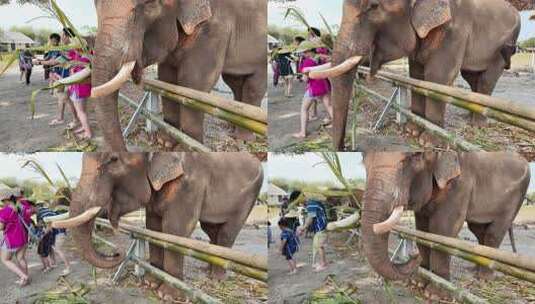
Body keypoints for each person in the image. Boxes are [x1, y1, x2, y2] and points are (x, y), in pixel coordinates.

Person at [292, 43, 333, 139]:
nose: (303, 54)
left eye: (304, 52)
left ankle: (303, 132)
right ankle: (337, 126)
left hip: (314, 87)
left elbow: (305, 79)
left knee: (304, 109)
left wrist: (302, 78)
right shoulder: (321, 58)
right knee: (329, 106)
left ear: (309, 51)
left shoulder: (306, 62)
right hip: (325, 85)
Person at [0, 190, 30, 286]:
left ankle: (23, 276)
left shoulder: (5, 211)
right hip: (23, 237)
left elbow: (1, 227)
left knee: (5, 259)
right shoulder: (21, 208)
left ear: (5, 200)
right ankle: (26, 279)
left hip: (12, 238)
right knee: (21, 258)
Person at [37, 204, 71, 276]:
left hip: (59, 233)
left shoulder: (42, 214)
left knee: (58, 250)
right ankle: (55, 263)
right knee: (54, 248)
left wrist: (41, 235)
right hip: (60, 232)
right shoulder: (49, 211)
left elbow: (48, 228)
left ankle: (68, 268)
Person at [298, 198, 328, 272]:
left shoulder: (311, 204)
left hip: (320, 227)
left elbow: (310, 217)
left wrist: (303, 228)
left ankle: (323, 264)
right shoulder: (314, 201)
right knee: (318, 245)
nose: (299, 204)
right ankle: (322, 262)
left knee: (320, 246)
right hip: (321, 227)